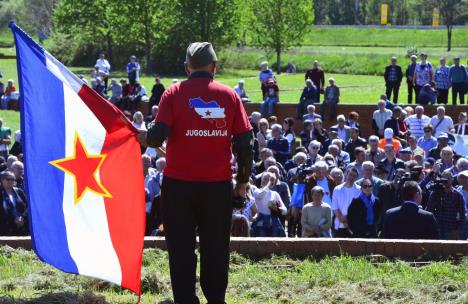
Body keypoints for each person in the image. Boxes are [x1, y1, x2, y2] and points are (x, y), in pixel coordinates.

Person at [139, 42, 254, 304]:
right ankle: (216, 299)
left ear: (186, 67)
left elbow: (157, 137)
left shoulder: (173, 93)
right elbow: (246, 145)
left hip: (178, 186)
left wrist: (143, 136)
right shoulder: (230, 96)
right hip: (217, 186)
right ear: (214, 67)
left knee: (180, 249)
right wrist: (242, 183)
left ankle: (185, 300)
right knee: (216, 248)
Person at [426, 170, 466, 240]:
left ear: (452, 179)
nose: (446, 181)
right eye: (444, 178)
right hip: (436, 230)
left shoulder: (457, 195)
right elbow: (428, 211)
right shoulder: (435, 193)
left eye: (449, 178)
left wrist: (456, 231)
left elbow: (463, 214)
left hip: (451, 230)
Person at [251, 172, 287, 237]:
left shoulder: (275, 194)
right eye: (265, 179)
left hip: (273, 225)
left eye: (270, 180)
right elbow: (260, 195)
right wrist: (269, 183)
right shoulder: (256, 191)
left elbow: (285, 211)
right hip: (260, 225)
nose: (266, 181)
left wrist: (277, 208)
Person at [331, 167, 361, 237]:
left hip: (353, 225)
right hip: (339, 225)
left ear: (356, 178)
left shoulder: (359, 190)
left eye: (354, 176)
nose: (351, 177)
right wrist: (342, 220)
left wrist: (348, 221)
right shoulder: (337, 189)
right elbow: (335, 207)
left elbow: (358, 209)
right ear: (346, 174)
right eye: (350, 175)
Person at [0, 171, 28, 236]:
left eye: (12, 179)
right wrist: (13, 219)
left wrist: (22, 217)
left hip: (21, 226)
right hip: (5, 228)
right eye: (8, 179)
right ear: (2, 180)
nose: (10, 181)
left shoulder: (19, 191)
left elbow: (27, 206)